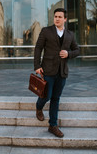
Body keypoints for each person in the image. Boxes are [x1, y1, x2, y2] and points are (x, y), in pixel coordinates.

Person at [34, 8, 79, 138]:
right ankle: (38, 107)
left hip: (62, 72)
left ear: (65, 19)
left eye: (60, 17)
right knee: (46, 95)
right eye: (55, 16)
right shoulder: (46, 31)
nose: (57, 19)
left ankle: (52, 125)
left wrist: (68, 54)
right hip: (47, 69)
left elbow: (77, 50)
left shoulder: (70, 34)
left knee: (55, 98)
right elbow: (38, 48)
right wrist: (37, 66)